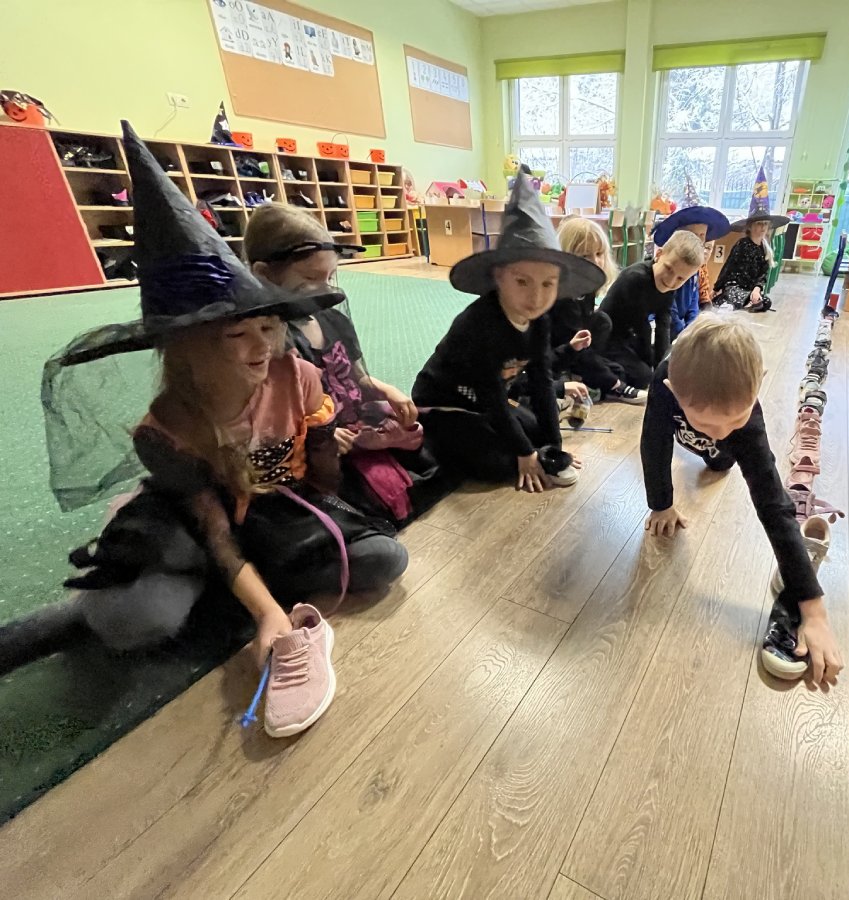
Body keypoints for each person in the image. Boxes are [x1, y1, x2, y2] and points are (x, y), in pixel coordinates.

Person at [1, 123, 407, 738]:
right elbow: (215, 531)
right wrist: (269, 613)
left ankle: (233, 591)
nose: (260, 348)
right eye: (234, 335)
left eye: (268, 328)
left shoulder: (297, 375)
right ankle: (77, 615)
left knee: (380, 557)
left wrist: (332, 498)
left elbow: (321, 470)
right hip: (201, 524)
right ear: (187, 347)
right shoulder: (164, 428)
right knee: (134, 620)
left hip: (273, 507)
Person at [639, 315, 843, 686]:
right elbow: (654, 444)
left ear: (758, 385)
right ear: (672, 390)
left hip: (721, 441)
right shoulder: (664, 384)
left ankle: (716, 447)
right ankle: (703, 438)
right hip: (683, 426)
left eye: (734, 419)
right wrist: (661, 503)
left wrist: (813, 610)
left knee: (721, 459)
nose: (721, 432)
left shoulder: (744, 422)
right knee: (704, 443)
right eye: (708, 423)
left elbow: (773, 504)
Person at [243, 204, 448, 527]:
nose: (324, 288)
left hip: (353, 414)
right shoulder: (267, 340)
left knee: (427, 440)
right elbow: (273, 419)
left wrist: (387, 390)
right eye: (310, 278)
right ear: (264, 274)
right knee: (368, 499)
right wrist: (328, 435)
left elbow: (356, 376)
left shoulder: (331, 318)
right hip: (316, 440)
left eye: (329, 277)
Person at [412, 173, 605, 492]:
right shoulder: (479, 324)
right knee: (500, 464)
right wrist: (526, 453)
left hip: (491, 400)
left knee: (536, 431)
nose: (536, 297)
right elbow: (490, 395)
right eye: (522, 281)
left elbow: (542, 381)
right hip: (444, 404)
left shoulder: (539, 320)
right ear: (499, 277)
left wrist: (554, 448)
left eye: (548, 284)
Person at [553, 216, 645, 404]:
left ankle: (583, 377)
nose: (595, 261)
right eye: (585, 256)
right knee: (616, 377)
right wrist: (614, 384)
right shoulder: (563, 296)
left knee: (603, 322)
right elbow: (574, 343)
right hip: (557, 352)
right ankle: (578, 378)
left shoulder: (587, 286)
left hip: (577, 346)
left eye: (599, 253)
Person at [599, 230, 705, 389]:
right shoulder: (636, 278)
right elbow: (642, 328)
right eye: (668, 269)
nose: (671, 281)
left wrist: (662, 366)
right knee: (643, 376)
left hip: (628, 336)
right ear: (659, 254)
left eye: (680, 278)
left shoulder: (669, 287)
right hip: (607, 336)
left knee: (663, 361)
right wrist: (653, 370)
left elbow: (663, 324)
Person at [651, 176, 730, 339]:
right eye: (694, 235)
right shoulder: (672, 267)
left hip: (681, 326)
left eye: (702, 235)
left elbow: (694, 301)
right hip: (662, 325)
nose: (699, 241)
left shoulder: (695, 268)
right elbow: (668, 307)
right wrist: (684, 333)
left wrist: (692, 326)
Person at [713, 164, 789, 313]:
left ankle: (747, 302)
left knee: (766, 301)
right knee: (735, 296)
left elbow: (763, 275)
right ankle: (732, 302)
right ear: (750, 226)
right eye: (759, 224)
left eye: (765, 224)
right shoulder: (742, 244)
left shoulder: (765, 248)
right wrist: (717, 288)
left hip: (749, 289)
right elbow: (728, 267)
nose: (762, 227)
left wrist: (757, 290)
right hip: (733, 286)